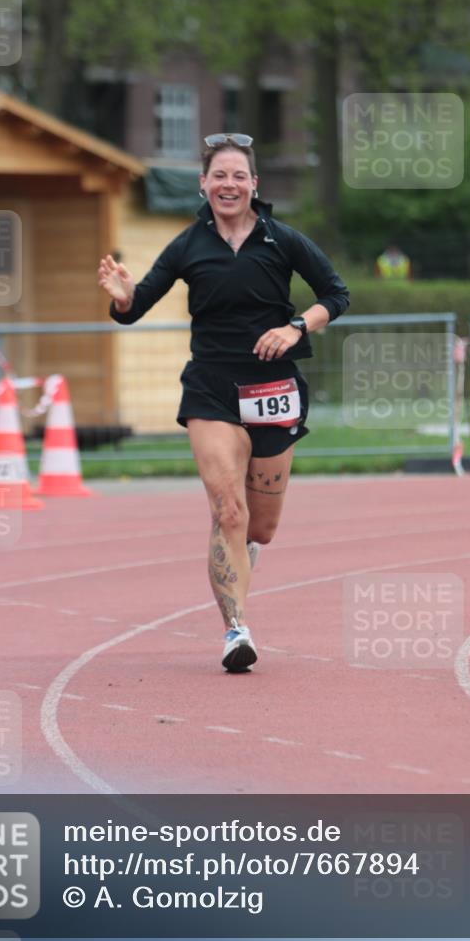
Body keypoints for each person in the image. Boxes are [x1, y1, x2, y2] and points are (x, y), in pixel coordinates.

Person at [99, 133, 350, 673]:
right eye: (219, 176)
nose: (229, 184)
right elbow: (136, 305)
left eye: (239, 176)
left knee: (259, 528)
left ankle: (241, 555)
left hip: (273, 390)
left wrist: (296, 325)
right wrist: (122, 299)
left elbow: (336, 293)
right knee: (226, 510)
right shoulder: (188, 245)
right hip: (210, 390)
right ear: (204, 185)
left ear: (254, 184)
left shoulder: (282, 240)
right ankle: (236, 630)